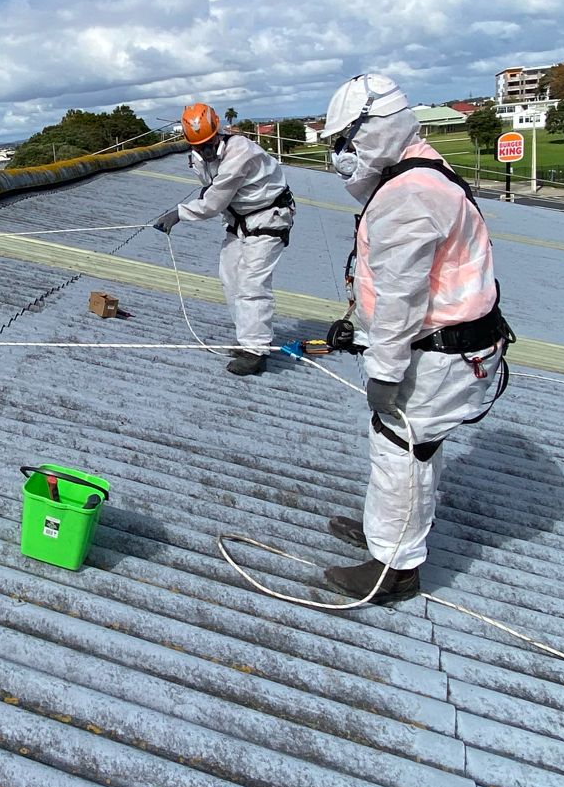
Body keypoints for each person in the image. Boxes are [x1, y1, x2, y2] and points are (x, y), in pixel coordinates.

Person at [318, 74, 511, 604]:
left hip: (436, 356)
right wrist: (360, 332)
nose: (341, 155)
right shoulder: (423, 171)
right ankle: (388, 530)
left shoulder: (407, 196)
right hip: (456, 347)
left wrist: (383, 370)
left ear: (373, 131)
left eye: (345, 141)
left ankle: (394, 568)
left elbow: (403, 298)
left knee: (400, 449)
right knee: (413, 449)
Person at [152, 103, 294, 375]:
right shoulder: (198, 158)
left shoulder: (241, 152)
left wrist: (178, 214)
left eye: (209, 143)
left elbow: (214, 201)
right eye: (199, 146)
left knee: (253, 283)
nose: (205, 150)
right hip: (239, 221)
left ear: (218, 132)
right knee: (230, 276)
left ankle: (255, 351)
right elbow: (210, 188)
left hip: (269, 218)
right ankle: (247, 337)